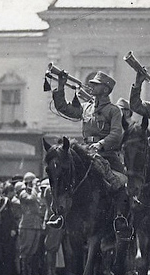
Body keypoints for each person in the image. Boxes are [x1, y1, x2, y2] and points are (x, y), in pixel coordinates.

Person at [49, 70, 127, 226]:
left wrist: (100, 144)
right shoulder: (86, 108)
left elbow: (117, 133)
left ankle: (120, 218)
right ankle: (62, 216)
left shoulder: (113, 110)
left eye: (96, 85)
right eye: (91, 84)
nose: (92, 86)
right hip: (86, 151)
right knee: (67, 176)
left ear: (105, 89)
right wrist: (61, 85)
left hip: (107, 154)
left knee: (119, 184)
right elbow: (64, 108)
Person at [17, 177, 47, 275]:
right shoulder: (23, 193)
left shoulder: (35, 193)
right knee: (25, 250)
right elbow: (31, 199)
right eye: (32, 183)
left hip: (35, 225)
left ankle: (29, 274)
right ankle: (23, 274)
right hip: (27, 225)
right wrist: (34, 189)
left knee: (32, 251)